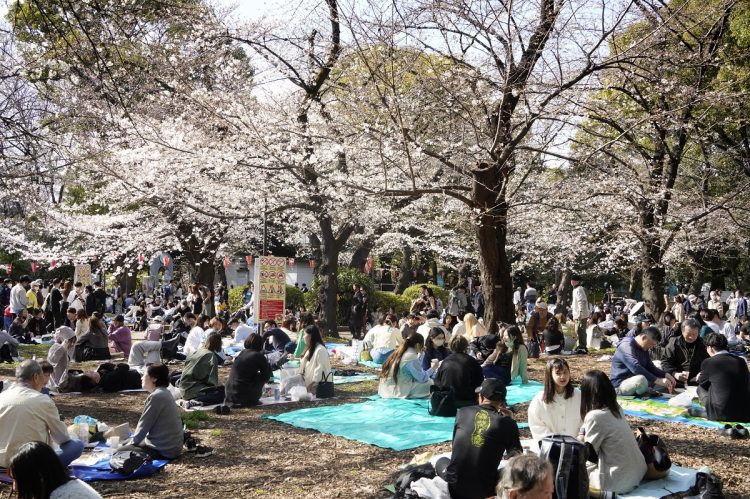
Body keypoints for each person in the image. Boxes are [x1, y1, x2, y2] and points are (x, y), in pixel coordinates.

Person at [435, 378, 522, 499]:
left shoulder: (462, 412)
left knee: (441, 461)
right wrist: (510, 422)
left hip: (455, 486)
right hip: (485, 490)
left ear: (481, 397)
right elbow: (517, 458)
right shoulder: (507, 423)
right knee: (505, 471)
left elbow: (456, 445)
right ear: (502, 403)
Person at [0, 360, 84, 467]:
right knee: (76, 445)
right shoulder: (43, 400)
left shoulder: (2, 396)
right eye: (42, 377)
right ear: (35, 377)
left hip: (2, 463)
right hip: (32, 464)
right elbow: (62, 438)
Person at [578, 370, 648, 494]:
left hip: (618, 481)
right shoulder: (616, 408)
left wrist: (579, 439)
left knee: (575, 471)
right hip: (639, 471)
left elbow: (589, 454)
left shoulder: (595, 416)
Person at [118, 364, 183, 459]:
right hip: (172, 447)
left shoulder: (156, 396)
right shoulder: (164, 392)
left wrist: (131, 443)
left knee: (118, 451)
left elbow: (144, 425)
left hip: (163, 450)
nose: (141, 378)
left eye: (144, 375)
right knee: (125, 443)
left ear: (154, 378)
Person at [8, 441, 102, 499]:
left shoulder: (64, 496)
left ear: (39, 476)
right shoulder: (70, 485)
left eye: (17, 480)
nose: (14, 487)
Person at [689, 333, 750, 422]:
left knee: (700, 389)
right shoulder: (741, 361)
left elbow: (703, 384)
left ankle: (707, 412)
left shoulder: (709, 362)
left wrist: (699, 377)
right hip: (745, 413)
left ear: (710, 348)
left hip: (720, 413)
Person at [527, 357, 582, 441]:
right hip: (551, 447)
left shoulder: (578, 395)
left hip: (576, 446)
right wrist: (554, 441)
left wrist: (580, 436)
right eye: (558, 373)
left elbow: (585, 419)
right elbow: (536, 424)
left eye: (565, 372)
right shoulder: (539, 399)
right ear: (550, 375)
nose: (562, 376)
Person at [610, 326, 675, 396]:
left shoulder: (644, 348)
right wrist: (658, 380)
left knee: (660, 369)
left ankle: (647, 391)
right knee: (641, 379)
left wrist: (666, 374)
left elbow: (650, 367)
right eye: (651, 344)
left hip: (637, 383)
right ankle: (647, 391)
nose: (651, 347)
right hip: (620, 385)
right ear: (644, 337)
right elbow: (635, 367)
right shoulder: (626, 345)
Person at [378, 333, 434, 399]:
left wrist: (421, 354)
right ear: (418, 345)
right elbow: (422, 378)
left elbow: (417, 369)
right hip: (398, 390)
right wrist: (433, 368)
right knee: (430, 383)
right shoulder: (411, 356)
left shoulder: (401, 351)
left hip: (386, 388)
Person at [224, 333, 272, 407]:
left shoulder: (242, 352)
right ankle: (252, 399)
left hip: (230, 394)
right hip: (243, 396)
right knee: (260, 377)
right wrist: (268, 365)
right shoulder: (258, 356)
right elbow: (266, 377)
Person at [179, 332, 225, 408]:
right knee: (221, 393)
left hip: (183, 386)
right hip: (193, 390)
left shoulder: (198, 350)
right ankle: (195, 401)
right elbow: (212, 382)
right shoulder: (211, 356)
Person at [434, 335, 483, 406]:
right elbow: (479, 381)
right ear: (465, 346)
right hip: (467, 401)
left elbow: (437, 381)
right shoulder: (471, 361)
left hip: (447, 400)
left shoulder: (446, 361)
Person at [659, 318, 708, 387]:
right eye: (688, 334)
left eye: (694, 334)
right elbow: (665, 361)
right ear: (682, 331)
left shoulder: (704, 344)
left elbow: (710, 361)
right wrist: (674, 373)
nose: (691, 337)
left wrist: (703, 373)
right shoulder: (674, 343)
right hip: (676, 381)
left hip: (698, 381)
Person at [299, 325, 331, 394]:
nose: (303, 337)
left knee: (289, 383)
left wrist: (311, 385)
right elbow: (305, 363)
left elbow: (320, 368)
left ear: (310, 336)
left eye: (304, 335)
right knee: (288, 381)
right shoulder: (311, 348)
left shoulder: (320, 350)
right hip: (307, 381)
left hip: (317, 386)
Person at [571, 274, 590, 353]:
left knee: (581, 330)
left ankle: (582, 346)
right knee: (578, 330)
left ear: (578, 281)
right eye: (572, 280)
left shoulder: (579, 289)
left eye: (574, 280)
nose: (572, 282)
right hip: (577, 313)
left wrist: (580, 313)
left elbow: (581, 301)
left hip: (581, 314)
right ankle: (580, 346)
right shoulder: (575, 289)